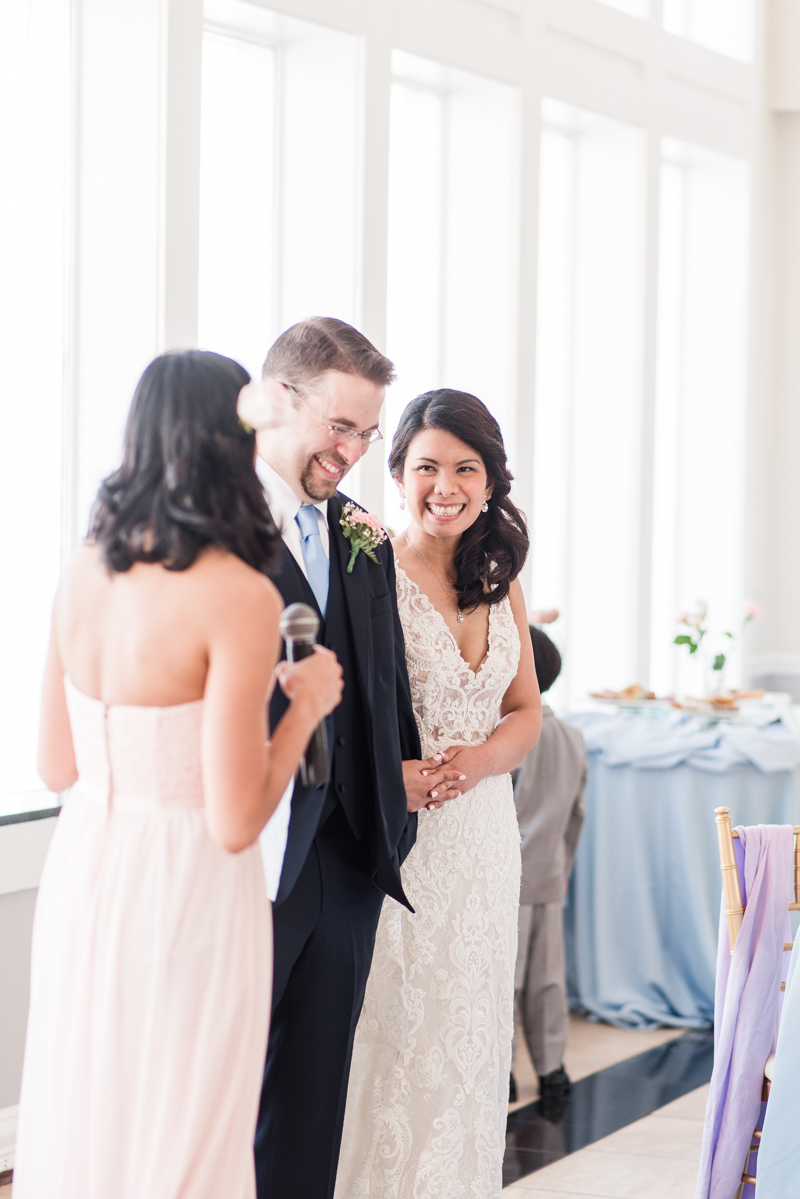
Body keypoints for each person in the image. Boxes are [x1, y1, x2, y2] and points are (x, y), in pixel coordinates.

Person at [11, 351, 343, 1199]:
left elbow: (56, 763)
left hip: (88, 873)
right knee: (190, 1123)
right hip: (189, 887)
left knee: (94, 1106)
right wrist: (305, 706)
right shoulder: (237, 593)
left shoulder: (82, 568)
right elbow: (235, 820)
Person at [247, 320, 463, 1199]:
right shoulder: (209, 526)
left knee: (313, 1105)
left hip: (349, 859)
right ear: (278, 401)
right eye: (340, 427)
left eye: (368, 435)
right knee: (225, 1093)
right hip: (252, 856)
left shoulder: (361, 535)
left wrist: (394, 789)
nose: (353, 453)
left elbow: (382, 683)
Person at [335, 388, 542, 1199]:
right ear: (397, 473)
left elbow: (525, 710)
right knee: (396, 1033)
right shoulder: (369, 569)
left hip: (486, 840)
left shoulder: (501, 575)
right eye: (427, 467)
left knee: (469, 1035)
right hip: (404, 842)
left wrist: (485, 759)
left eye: (466, 467)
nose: (445, 485)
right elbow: (339, 717)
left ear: (491, 481)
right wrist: (394, 780)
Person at [511, 625, 586, 1113]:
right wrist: (564, 868)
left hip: (509, 873)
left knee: (506, 978)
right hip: (550, 872)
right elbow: (577, 814)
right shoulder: (573, 737)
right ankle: (552, 1067)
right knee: (547, 976)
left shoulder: (513, 735)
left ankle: (505, 1069)